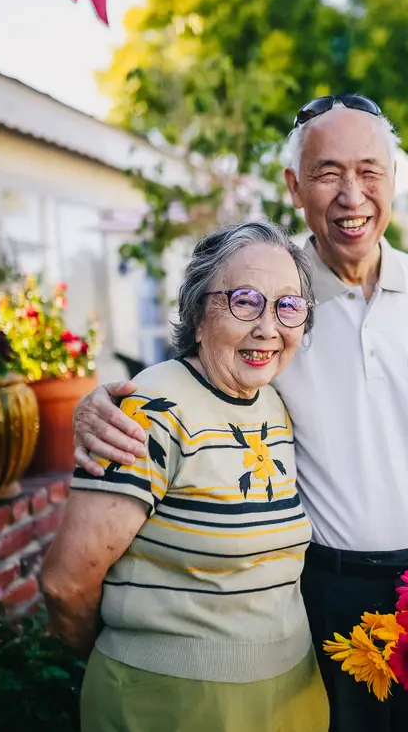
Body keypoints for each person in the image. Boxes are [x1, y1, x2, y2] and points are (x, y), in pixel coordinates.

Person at [74, 94, 408, 732]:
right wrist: (100, 402)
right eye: (328, 173)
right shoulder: (274, 300)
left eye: (370, 171)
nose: (352, 196)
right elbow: (194, 373)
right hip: (328, 595)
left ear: (393, 179)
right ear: (294, 187)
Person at [41, 221, 329, 732]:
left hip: (288, 697)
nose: (268, 327)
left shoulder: (275, 403)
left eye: (287, 306)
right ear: (198, 315)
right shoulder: (151, 409)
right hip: (168, 705)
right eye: (244, 301)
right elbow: (66, 583)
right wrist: (130, 656)